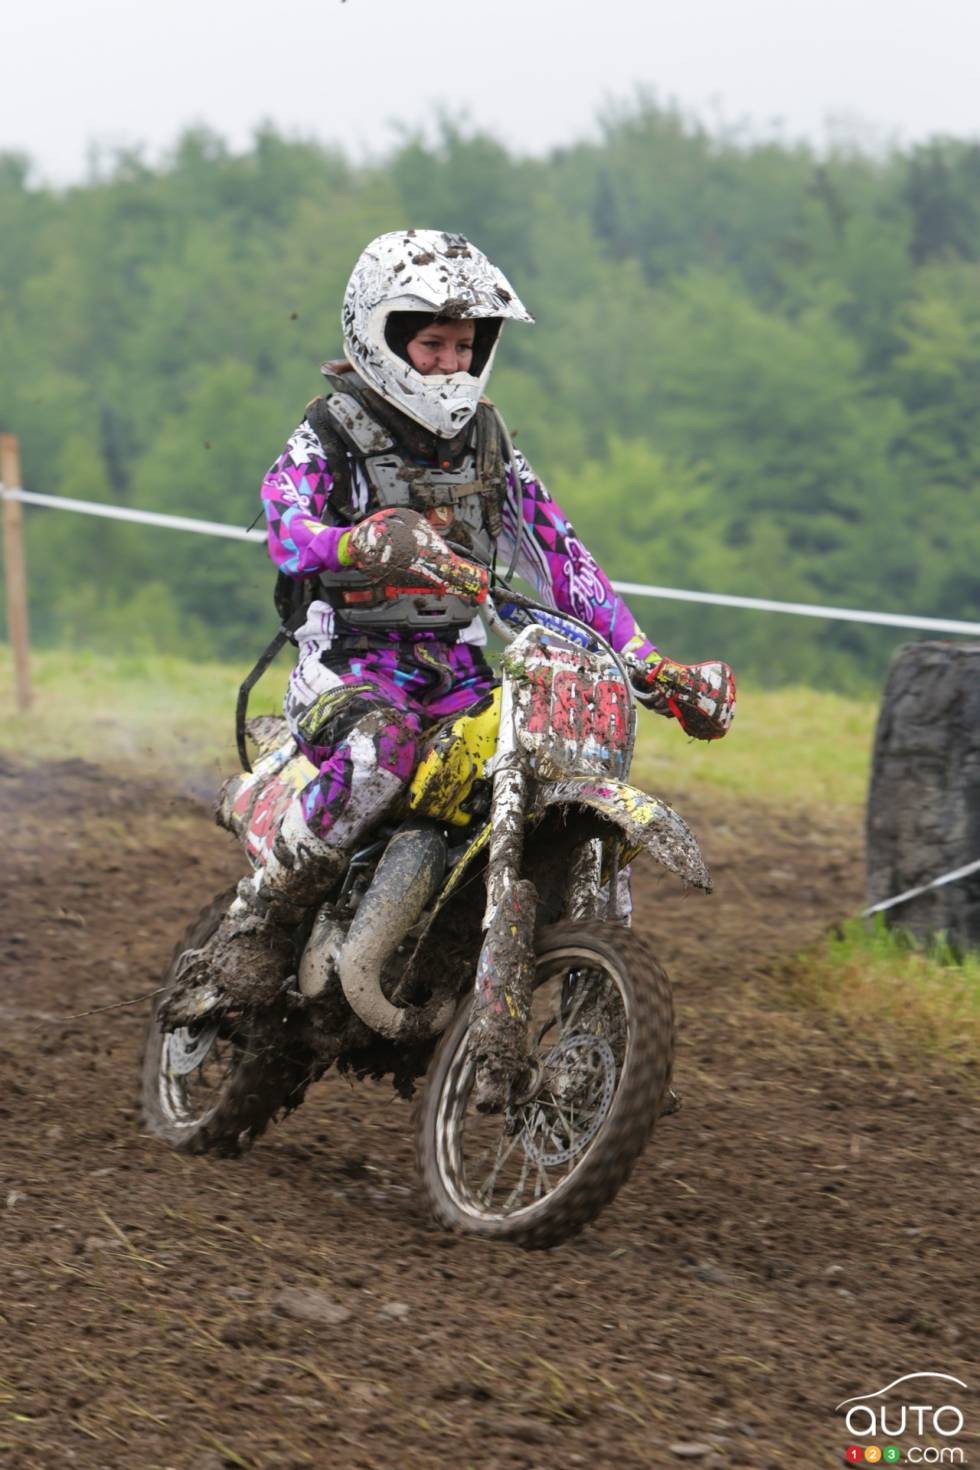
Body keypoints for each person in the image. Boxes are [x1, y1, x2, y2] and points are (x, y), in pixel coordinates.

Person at [193, 229, 735, 1000]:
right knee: (381, 752)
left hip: (456, 671)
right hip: (346, 667)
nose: (451, 363)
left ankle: (556, 986)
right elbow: (286, 523)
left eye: (464, 347)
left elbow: (563, 560)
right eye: (432, 345)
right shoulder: (333, 432)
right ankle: (261, 917)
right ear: (381, 338)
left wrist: (648, 662)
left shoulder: (488, 444)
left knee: (547, 757)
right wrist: (355, 542)